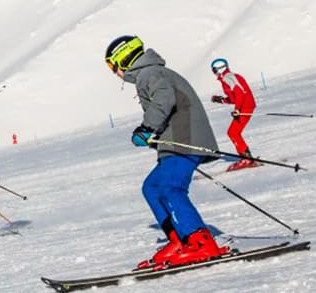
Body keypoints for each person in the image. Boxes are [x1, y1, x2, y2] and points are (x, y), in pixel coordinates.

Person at [105, 35, 230, 268]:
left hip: (185, 139)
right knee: (152, 187)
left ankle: (201, 242)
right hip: (175, 140)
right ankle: (180, 239)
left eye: (112, 66)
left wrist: (147, 128)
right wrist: (155, 136)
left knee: (170, 188)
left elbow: (165, 100)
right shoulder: (151, 74)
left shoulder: (149, 74)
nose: (114, 73)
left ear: (123, 59)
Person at [209, 57, 259, 170]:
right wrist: (221, 100)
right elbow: (236, 98)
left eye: (214, 70)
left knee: (233, 132)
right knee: (233, 132)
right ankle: (247, 157)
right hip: (245, 106)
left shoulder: (228, 77)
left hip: (245, 107)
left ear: (219, 68)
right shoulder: (228, 78)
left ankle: (246, 158)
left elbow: (240, 94)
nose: (214, 73)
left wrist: (237, 110)